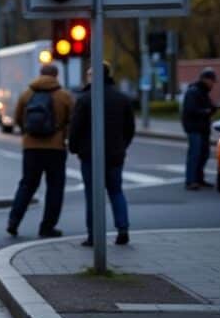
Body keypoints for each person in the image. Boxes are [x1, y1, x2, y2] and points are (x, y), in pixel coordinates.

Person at [68, 63, 135, 246]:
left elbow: (76, 128)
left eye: (89, 74)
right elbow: (130, 128)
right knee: (116, 191)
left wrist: (74, 147)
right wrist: (122, 146)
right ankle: (123, 228)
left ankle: (93, 234)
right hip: (115, 154)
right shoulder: (121, 98)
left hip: (90, 155)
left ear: (94, 76)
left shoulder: (85, 99)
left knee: (92, 195)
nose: (87, 77)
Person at [7, 64, 74, 238]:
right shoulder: (64, 96)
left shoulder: (27, 94)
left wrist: (28, 133)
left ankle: (13, 222)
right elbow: (72, 120)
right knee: (55, 188)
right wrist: (64, 136)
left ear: (40, 74)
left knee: (27, 185)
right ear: (56, 75)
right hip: (56, 148)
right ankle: (47, 227)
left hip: (31, 147)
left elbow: (17, 119)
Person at [182, 68, 217, 190]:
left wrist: (213, 108)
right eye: (211, 80)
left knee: (204, 154)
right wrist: (206, 111)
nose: (213, 84)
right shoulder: (193, 91)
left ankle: (199, 179)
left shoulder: (203, 92)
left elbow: (208, 107)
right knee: (195, 154)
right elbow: (191, 110)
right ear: (205, 79)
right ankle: (190, 181)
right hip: (194, 128)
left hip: (203, 128)